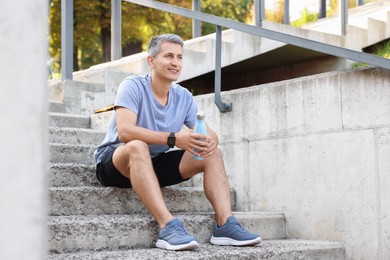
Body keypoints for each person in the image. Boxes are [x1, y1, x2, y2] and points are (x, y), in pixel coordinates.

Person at [94, 34, 261, 251]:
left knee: (213, 153)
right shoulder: (132, 85)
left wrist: (208, 142)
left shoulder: (183, 96)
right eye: (169, 56)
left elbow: (210, 135)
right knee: (137, 146)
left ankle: (225, 225)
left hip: (154, 164)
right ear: (151, 61)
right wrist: (174, 138)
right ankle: (168, 227)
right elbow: (126, 132)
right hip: (117, 162)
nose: (176, 62)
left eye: (180, 57)